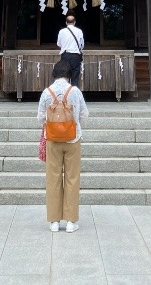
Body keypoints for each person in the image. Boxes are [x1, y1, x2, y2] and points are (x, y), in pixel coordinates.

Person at [37, 58, 89, 233]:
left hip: (52, 139)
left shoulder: (46, 92)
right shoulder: (75, 92)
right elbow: (84, 114)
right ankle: (71, 221)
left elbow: (40, 118)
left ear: (54, 74)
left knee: (53, 179)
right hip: (73, 139)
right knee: (72, 178)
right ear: (69, 75)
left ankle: (53, 221)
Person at [57, 13, 84, 88]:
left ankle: (65, 98)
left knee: (64, 78)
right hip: (76, 56)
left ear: (66, 22)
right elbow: (82, 45)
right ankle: (74, 97)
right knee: (75, 79)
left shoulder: (61, 31)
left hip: (65, 56)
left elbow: (59, 44)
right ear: (74, 22)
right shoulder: (79, 31)